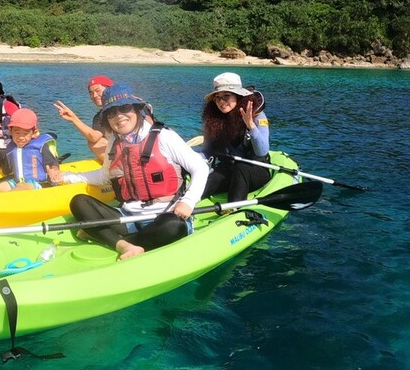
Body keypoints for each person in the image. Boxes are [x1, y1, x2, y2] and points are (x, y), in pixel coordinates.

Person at [49, 82, 210, 260]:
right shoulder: (114, 142)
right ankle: (124, 245)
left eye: (124, 108)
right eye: (111, 112)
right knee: (79, 202)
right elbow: (104, 176)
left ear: (136, 109)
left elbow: (200, 167)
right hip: (128, 217)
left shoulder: (164, 136)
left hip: (165, 215)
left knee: (174, 226)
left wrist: (188, 201)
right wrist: (69, 177)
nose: (119, 116)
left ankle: (105, 236)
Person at [199, 72, 272, 204]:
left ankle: (233, 207)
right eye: (217, 97)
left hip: (256, 169)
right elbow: (207, 152)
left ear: (239, 96)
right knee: (210, 179)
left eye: (226, 96)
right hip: (229, 169)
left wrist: (251, 125)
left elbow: (262, 151)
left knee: (241, 168)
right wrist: (192, 161)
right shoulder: (213, 120)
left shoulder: (257, 116)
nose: (221, 102)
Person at [54, 75, 114, 160]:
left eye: (98, 91)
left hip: (129, 151)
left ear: (109, 90)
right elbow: (95, 136)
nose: (95, 95)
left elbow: (93, 137)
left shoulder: (119, 108)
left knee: (95, 143)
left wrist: (74, 119)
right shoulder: (101, 116)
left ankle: (115, 166)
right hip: (130, 149)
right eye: (91, 93)